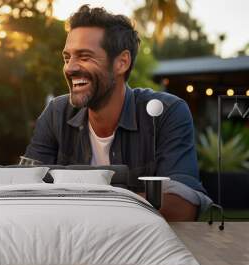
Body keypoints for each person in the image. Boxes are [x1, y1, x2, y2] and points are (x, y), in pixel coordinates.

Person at [23, 5, 211, 221]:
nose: (70, 68)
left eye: (84, 57)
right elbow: (25, 191)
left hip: (140, 251)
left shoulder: (166, 113)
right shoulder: (56, 113)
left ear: (122, 62)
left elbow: (182, 205)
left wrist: (79, 203)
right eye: (67, 58)